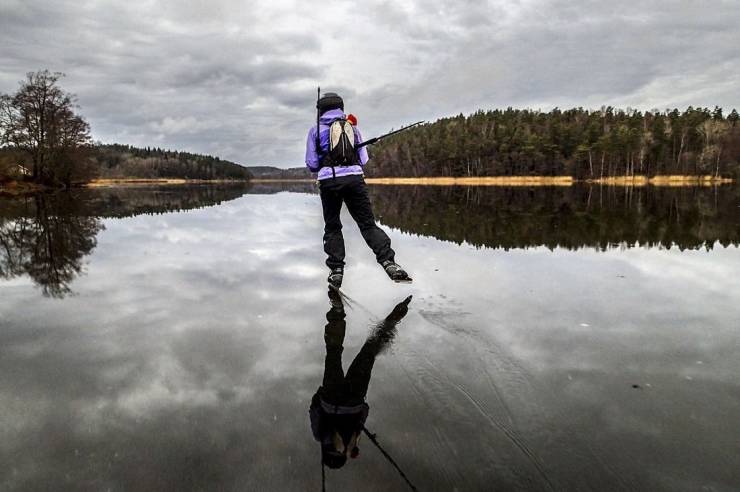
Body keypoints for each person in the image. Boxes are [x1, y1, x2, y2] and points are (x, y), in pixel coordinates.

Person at [305, 92, 411, 287]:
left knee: (333, 226)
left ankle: (336, 270)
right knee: (367, 224)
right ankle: (389, 262)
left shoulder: (315, 130)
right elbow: (363, 160)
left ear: (321, 110)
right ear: (341, 108)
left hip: (329, 181)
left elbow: (312, 164)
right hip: (354, 180)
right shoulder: (353, 128)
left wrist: (324, 158)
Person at [309, 288, 412, 469]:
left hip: (354, 400)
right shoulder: (320, 436)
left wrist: (354, 408)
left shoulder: (353, 440)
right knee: (333, 352)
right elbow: (314, 408)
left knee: (368, 353)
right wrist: (321, 394)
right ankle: (337, 311)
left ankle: (391, 322)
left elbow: (364, 410)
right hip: (330, 396)